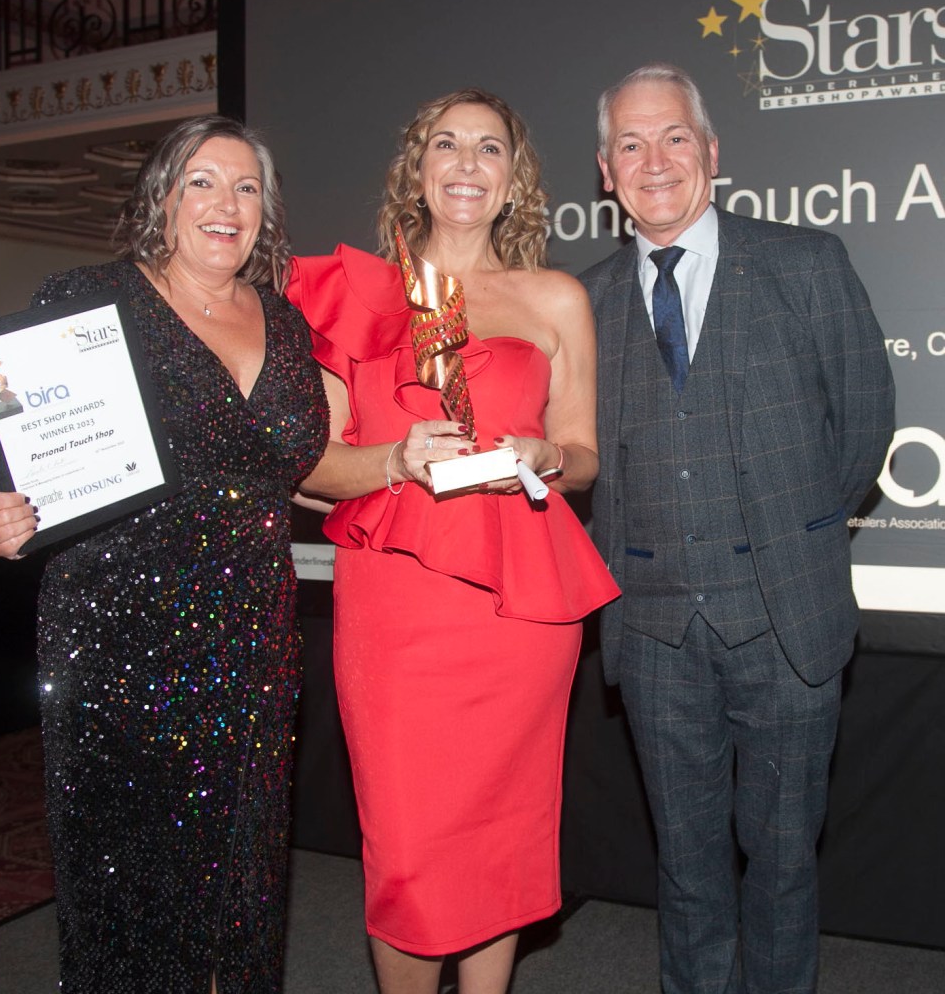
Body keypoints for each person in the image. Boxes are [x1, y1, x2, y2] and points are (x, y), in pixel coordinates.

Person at [0, 115, 328, 993]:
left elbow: (301, 465)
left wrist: (403, 461)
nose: (225, 204)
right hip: (122, 639)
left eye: (246, 187)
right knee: (129, 882)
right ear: (162, 197)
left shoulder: (285, 325)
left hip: (255, 640)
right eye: (201, 181)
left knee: (242, 876)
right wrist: (2, 506)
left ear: (266, 210)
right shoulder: (91, 298)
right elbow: (23, 448)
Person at [288, 88, 619, 994]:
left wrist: (549, 454)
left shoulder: (555, 298)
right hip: (397, 605)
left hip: (520, 610)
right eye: (447, 145)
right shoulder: (357, 295)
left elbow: (585, 457)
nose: (467, 164)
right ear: (418, 169)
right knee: (407, 842)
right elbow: (314, 467)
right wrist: (393, 459)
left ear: (514, 181)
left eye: (489, 149)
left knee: (501, 831)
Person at [579, 63, 895, 994]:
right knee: (686, 866)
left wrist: (793, 538)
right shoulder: (583, 301)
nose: (656, 160)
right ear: (606, 171)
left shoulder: (806, 263)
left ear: (711, 152)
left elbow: (865, 425)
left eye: (674, 136)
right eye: (631, 144)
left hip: (786, 622)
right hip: (653, 632)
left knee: (785, 859)